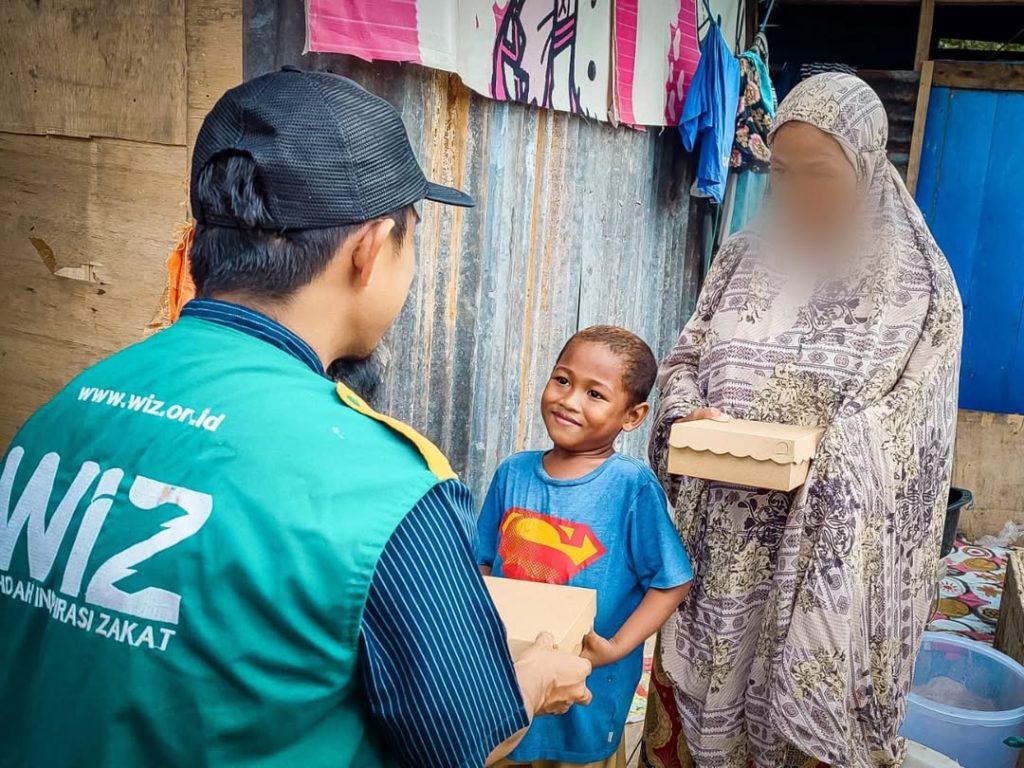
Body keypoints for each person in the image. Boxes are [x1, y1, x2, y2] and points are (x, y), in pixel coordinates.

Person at [0, 68, 592, 768]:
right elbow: (465, 739)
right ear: (370, 248)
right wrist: (537, 678)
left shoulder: (65, 409)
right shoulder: (385, 488)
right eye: (411, 237)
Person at [640, 73, 962, 768]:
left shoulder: (920, 286)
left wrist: (830, 449)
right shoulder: (743, 252)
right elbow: (685, 357)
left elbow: (918, 437)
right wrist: (686, 411)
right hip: (713, 549)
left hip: (818, 570)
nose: (794, 192)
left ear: (867, 164)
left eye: (818, 173)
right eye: (781, 172)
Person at [477, 326, 694, 768]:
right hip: (507, 686)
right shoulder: (512, 474)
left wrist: (615, 647)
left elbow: (672, 581)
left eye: (595, 394)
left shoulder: (631, 487)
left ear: (632, 416)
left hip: (587, 695)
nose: (570, 400)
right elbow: (481, 565)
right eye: (562, 380)